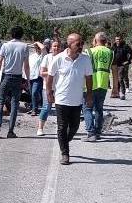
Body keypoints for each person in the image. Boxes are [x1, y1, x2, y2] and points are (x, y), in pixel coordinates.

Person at [46, 33, 92, 165]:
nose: (81, 45)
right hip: (61, 99)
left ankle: (64, 141)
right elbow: (50, 76)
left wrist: (89, 95)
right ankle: (65, 154)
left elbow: (89, 78)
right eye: (78, 43)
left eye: (82, 43)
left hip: (77, 100)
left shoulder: (85, 59)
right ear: (70, 44)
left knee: (74, 127)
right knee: (62, 127)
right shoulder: (59, 58)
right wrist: (49, 93)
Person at [0, 26, 30, 139]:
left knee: (1, 101)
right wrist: (28, 79)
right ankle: (10, 131)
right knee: (14, 104)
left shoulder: (5, 46)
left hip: (6, 76)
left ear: (11, 35)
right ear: (21, 35)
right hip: (18, 78)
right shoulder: (24, 46)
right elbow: (26, 65)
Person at [82, 32, 113, 142]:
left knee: (87, 109)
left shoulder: (89, 51)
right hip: (103, 84)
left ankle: (91, 133)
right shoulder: (110, 52)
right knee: (99, 109)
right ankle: (98, 131)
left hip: (90, 84)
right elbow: (113, 69)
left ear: (95, 41)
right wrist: (115, 87)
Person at [36, 38, 62, 136]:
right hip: (47, 87)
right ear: (51, 47)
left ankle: (61, 129)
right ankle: (40, 128)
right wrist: (52, 72)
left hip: (60, 88)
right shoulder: (47, 57)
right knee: (46, 107)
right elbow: (42, 73)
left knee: (61, 109)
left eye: (58, 46)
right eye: (54, 46)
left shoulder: (64, 57)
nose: (56, 48)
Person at [27, 40, 47, 116]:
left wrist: (37, 42)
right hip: (31, 77)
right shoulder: (32, 56)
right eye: (35, 48)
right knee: (32, 93)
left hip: (38, 78)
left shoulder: (43, 56)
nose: (36, 49)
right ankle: (33, 107)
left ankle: (35, 109)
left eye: (38, 48)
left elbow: (43, 48)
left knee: (34, 92)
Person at [112, 35, 132, 100]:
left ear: (121, 39)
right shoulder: (113, 46)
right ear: (115, 40)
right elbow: (110, 54)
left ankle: (123, 94)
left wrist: (127, 61)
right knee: (116, 79)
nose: (118, 41)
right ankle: (116, 93)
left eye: (119, 39)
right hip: (114, 65)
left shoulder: (125, 46)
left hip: (122, 65)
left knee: (120, 79)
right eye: (117, 39)